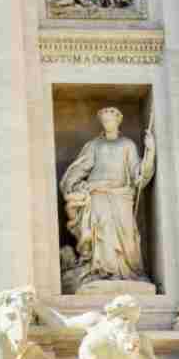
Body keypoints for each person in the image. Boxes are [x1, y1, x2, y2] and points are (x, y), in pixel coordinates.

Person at [59, 107, 155, 292]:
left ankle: (127, 272)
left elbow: (138, 173)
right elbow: (79, 169)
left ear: (118, 121)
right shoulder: (94, 145)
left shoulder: (127, 145)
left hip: (121, 195)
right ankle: (102, 270)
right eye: (104, 121)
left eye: (110, 120)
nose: (107, 124)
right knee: (102, 232)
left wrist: (150, 152)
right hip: (98, 194)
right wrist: (77, 185)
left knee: (126, 234)